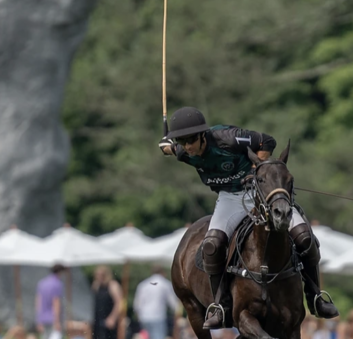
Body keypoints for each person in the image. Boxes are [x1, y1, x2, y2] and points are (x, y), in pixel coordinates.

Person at [158, 107, 339, 330]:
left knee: (304, 237)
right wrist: (168, 147)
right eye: (182, 142)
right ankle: (220, 305)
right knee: (212, 245)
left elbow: (267, 142)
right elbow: (173, 149)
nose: (188, 147)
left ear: (202, 135)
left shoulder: (226, 138)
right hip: (230, 199)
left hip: (261, 193)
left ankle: (315, 296)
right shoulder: (185, 151)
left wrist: (257, 170)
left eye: (190, 141)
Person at [133, 265, 179, 339]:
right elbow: (173, 303)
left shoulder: (143, 284)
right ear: (162, 272)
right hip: (158, 316)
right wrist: (178, 312)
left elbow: (137, 304)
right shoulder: (165, 284)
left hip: (144, 316)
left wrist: (138, 315)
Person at [91, 266, 124, 339]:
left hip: (109, 318)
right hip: (98, 318)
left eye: (101, 275)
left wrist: (112, 318)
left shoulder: (113, 285)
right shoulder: (96, 285)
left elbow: (119, 303)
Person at [36, 264, 66, 339]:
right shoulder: (57, 283)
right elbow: (56, 302)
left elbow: (38, 301)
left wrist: (39, 319)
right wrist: (57, 321)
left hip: (43, 318)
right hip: (53, 318)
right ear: (60, 272)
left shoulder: (41, 283)